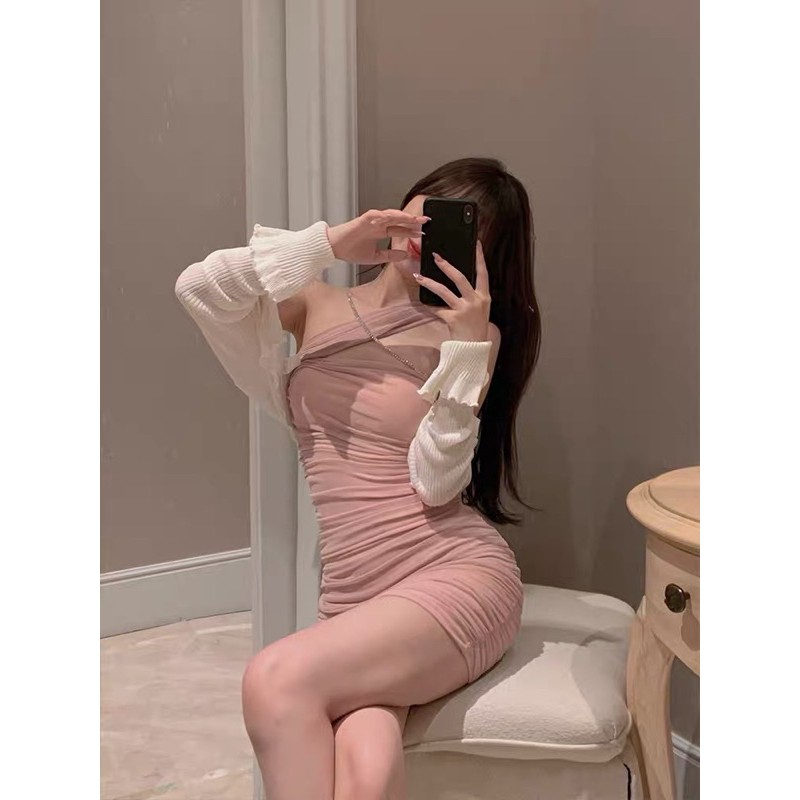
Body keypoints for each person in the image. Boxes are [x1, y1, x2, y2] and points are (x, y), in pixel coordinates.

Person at [174, 156, 541, 800]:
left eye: (454, 233)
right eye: (424, 215)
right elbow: (198, 288)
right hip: (354, 592)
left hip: (454, 575)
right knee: (366, 774)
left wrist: (464, 348)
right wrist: (329, 243)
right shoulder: (312, 297)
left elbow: (437, 485)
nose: (426, 239)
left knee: (273, 680)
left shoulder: (471, 336)